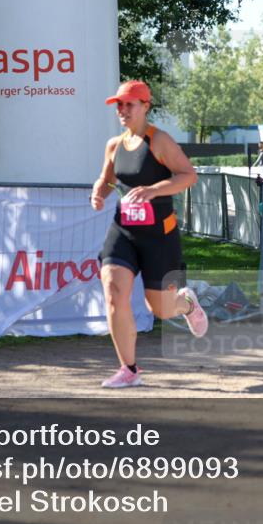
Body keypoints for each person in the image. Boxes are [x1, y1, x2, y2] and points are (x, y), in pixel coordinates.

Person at [91, 80, 209, 388]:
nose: (123, 110)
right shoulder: (114, 145)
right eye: (119, 104)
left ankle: (187, 305)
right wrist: (98, 192)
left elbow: (188, 175)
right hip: (124, 231)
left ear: (145, 106)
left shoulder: (160, 141)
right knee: (114, 291)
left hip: (160, 235)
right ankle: (129, 369)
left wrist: (153, 190)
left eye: (129, 104)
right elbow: (106, 178)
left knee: (160, 308)